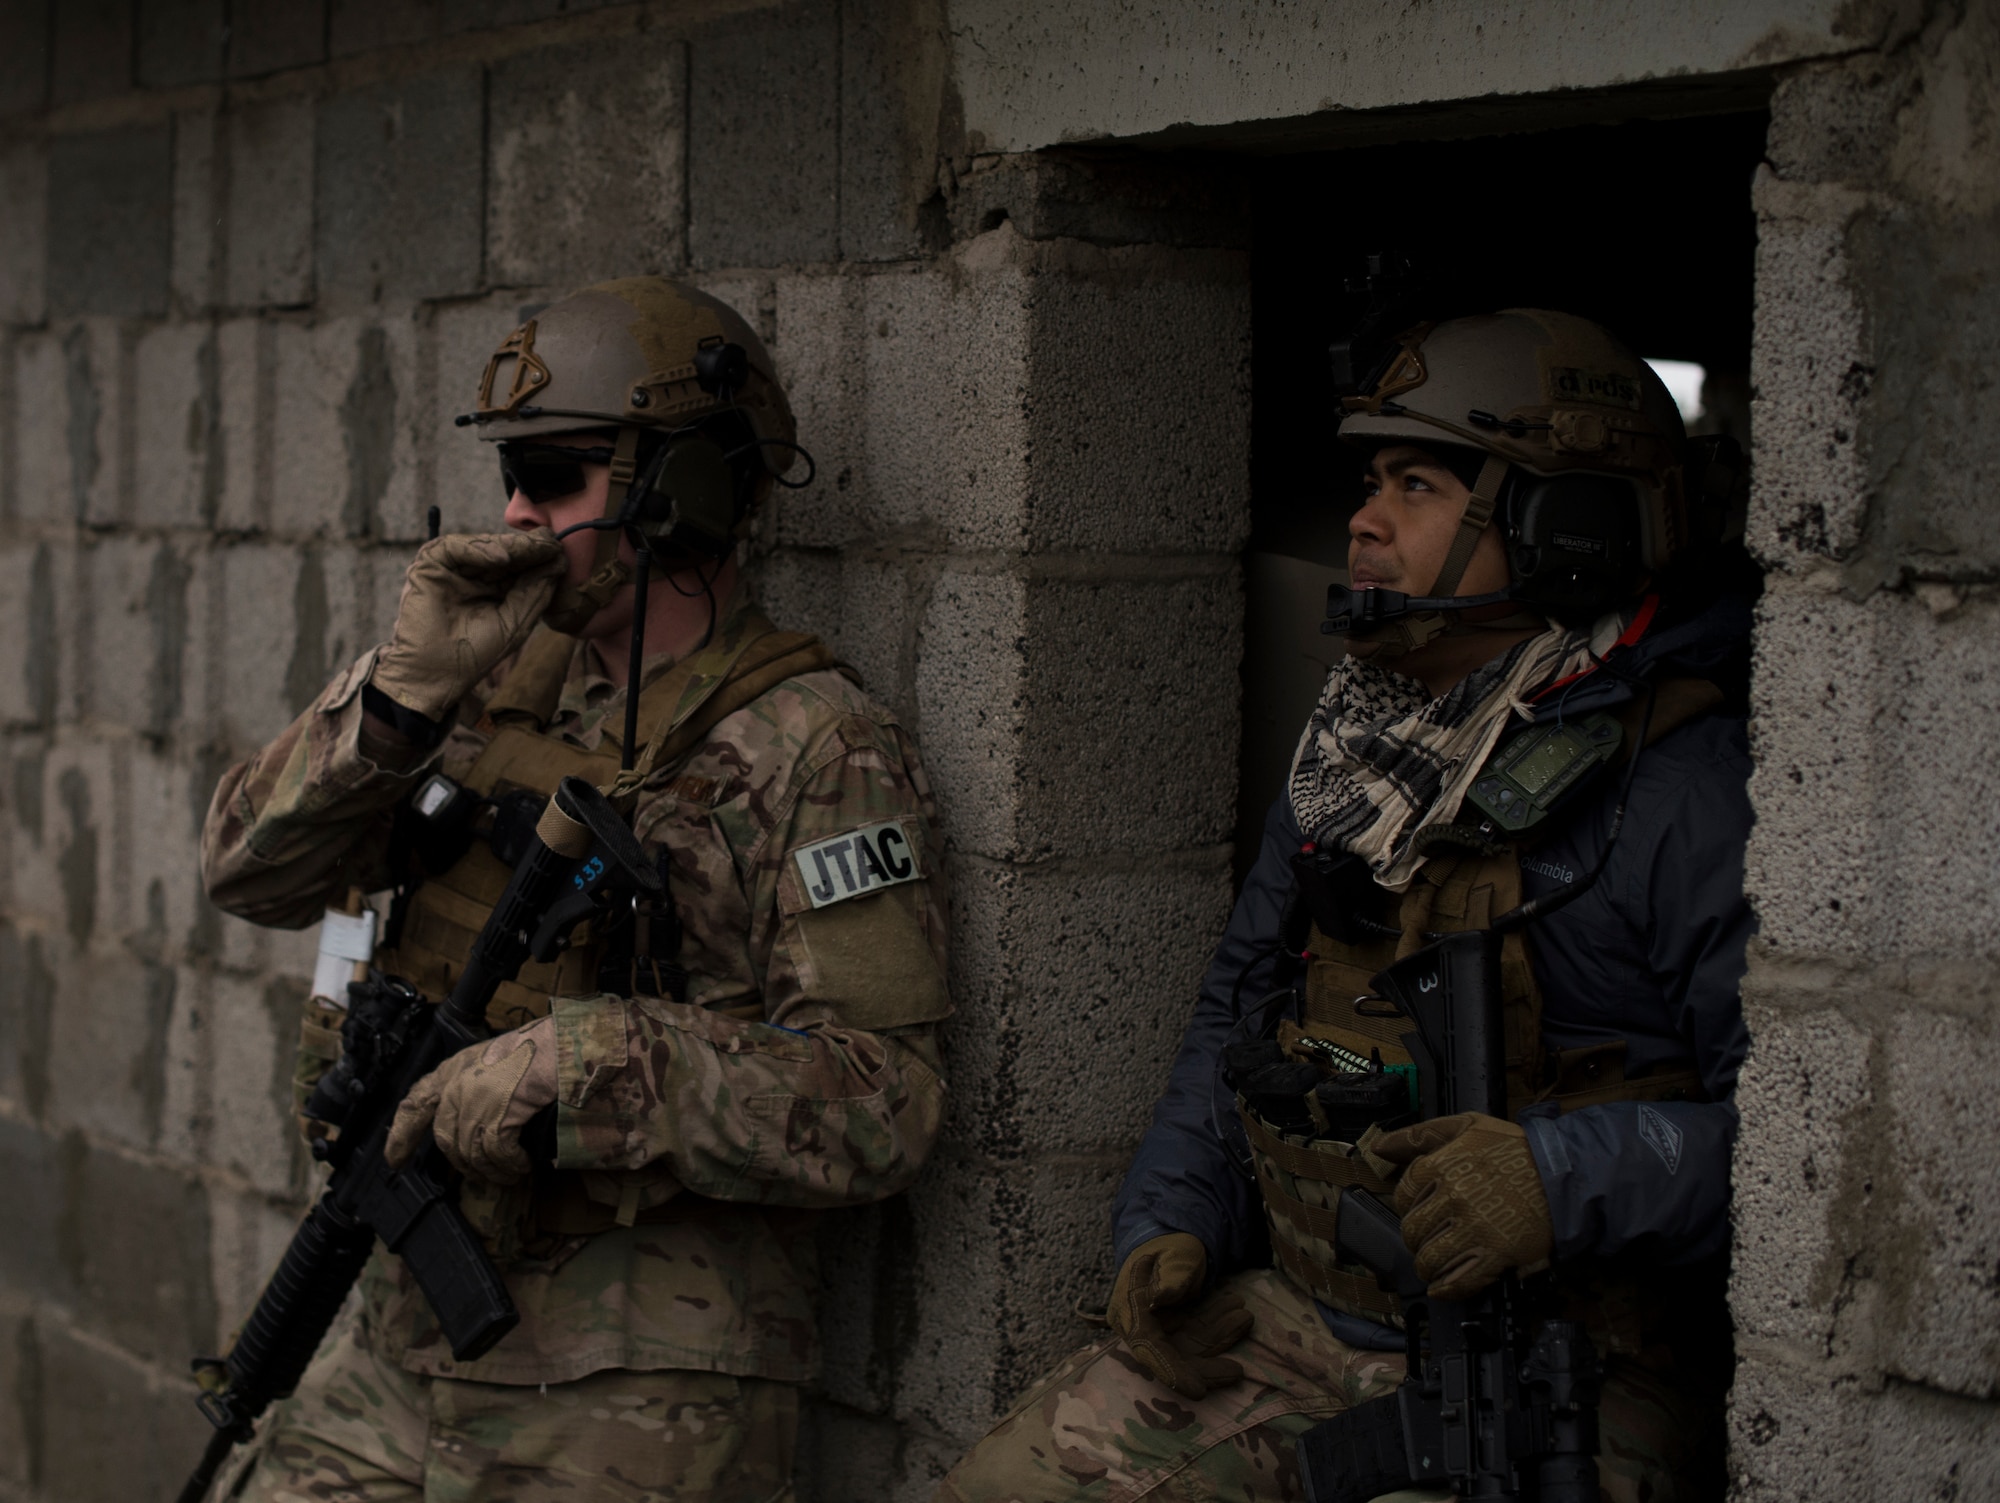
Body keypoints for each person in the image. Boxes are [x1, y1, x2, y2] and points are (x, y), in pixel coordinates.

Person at [939, 309, 1752, 1503]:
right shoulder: (1357, 757)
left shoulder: (1687, 793)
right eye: (1370, 481)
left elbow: (1796, 1155)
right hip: (1307, 1317)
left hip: (1571, 1364)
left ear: (1560, 528)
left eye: (1413, 486)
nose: (1363, 523)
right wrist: (1168, 1225)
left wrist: (1559, 1174)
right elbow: (1237, 1021)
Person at [199, 277, 953, 1502]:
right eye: (510, 472)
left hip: (629, 1390)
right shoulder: (474, 684)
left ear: (682, 486)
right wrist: (390, 710)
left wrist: (587, 1067)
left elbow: (888, 1101)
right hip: (396, 1340)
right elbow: (247, 874)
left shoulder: (815, 746)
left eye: (552, 475)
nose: (513, 510)